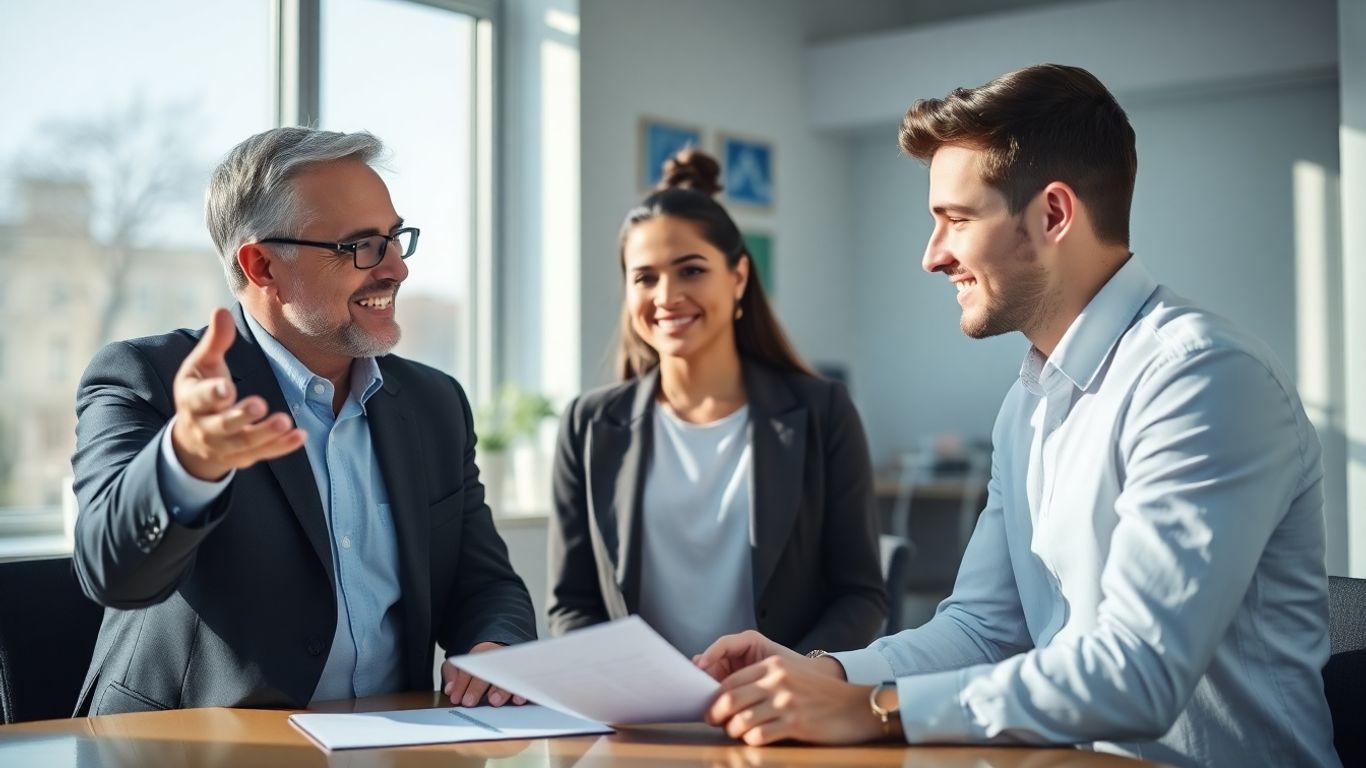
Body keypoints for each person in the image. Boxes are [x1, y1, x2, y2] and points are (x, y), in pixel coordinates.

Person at [695, 64, 1340, 768]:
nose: (932, 255)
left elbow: (1140, 674)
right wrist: (828, 673)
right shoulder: (1028, 402)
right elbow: (982, 627)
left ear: (1054, 215)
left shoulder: (1203, 377)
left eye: (956, 219)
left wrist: (876, 712)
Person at [70, 127, 535, 714]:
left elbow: (484, 582)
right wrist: (188, 460)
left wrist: (497, 644)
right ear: (262, 265)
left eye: (395, 239)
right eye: (362, 246)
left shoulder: (434, 403)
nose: (396, 269)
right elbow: (113, 573)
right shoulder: (149, 378)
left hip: (394, 744)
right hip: (192, 750)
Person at [546, 149, 886, 657]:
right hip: (645, 717)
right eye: (644, 277)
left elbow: (860, 595)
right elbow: (571, 604)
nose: (666, 296)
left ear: (739, 278)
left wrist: (798, 672)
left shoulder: (823, 412)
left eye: (690, 271)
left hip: (778, 708)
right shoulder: (588, 424)